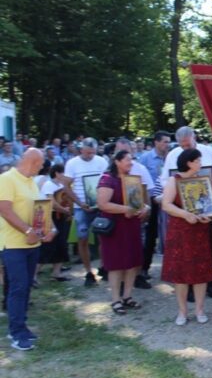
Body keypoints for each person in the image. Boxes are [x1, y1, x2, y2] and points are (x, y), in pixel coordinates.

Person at [0, 148, 56, 351]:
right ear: (32, 161)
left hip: (32, 244)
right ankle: (16, 333)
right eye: (41, 164)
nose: (42, 167)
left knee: (24, 286)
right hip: (13, 243)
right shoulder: (7, 179)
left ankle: (20, 325)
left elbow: (40, 209)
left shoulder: (32, 182)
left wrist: (50, 229)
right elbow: (4, 210)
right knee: (19, 286)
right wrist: (27, 230)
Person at [161, 126, 212, 299]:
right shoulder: (173, 155)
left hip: (203, 212)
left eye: (187, 144)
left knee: (206, 250)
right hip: (182, 215)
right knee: (183, 257)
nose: (185, 147)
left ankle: (208, 284)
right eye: (182, 144)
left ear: (193, 138)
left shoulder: (206, 151)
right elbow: (166, 179)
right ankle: (187, 289)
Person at [161, 148, 212, 325]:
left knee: (201, 271)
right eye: (198, 161)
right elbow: (166, 205)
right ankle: (182, 312)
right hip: (181, 232)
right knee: (181, 272)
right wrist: (186, 214)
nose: (200, 164)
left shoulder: (202, 180)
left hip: (199, 231)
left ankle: (200, 310)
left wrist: (208, 215)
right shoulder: (174, 180)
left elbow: (207, 204)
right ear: (189, 162)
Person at [96, 150, 149, 315]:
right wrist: (126, 209)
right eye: (127, 160)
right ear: (117, 161)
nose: (131, 163)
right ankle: (115, 299)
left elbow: (139, 202)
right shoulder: (107, 179)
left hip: (131, 226)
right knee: (116, 263)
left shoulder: (132, 180)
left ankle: (127, 296)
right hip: (115, 228)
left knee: (132, 262)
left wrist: (145, 208)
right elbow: (102, 204)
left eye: (131, 160)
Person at [63, 137, 108, 286]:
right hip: (81, 207)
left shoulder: (101, 161)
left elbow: (106, 182)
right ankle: (88, 271)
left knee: (104, 236)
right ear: (81, 149)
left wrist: (102, 201)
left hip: (99, 205)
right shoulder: (72, 163)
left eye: (93, 153)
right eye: (88, 152)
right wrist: (79, 203)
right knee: (82, 238)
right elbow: (66, 186)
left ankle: (104, 266)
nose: (90, 155)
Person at [139, 131, 171, 282]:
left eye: (168, 142)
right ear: (156, 142)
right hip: (152, 200)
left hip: (169, 200)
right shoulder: (145, 158)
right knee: (151, 235)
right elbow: (140, 179)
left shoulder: (171, 158)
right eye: (165, 142)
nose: (167, 145)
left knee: (169, 234)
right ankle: (144, 268)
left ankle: (170, 268)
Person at [38, 164, 74, 281]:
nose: (65, 175)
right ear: (57, 173)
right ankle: (33, 274)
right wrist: (65, 210)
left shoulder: (61, 185)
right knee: (48, 245)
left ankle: (56, 273)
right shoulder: (49, 185)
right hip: (51, 216)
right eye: (63, 173)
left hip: (61, 217)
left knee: (61, 244)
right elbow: (51, 202)